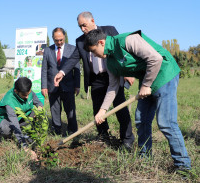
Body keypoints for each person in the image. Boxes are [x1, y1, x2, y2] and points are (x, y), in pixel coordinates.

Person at [84, 29, 191, 172]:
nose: (94, 55)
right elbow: (113, 87)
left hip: (164, 73)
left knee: (166, 123)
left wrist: (146, 85)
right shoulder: (110, 61)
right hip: (147, 79)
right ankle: (145, 157)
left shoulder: (127, 40)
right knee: (141, 120)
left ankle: (183, 166)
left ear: (101, 42)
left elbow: (155, 58)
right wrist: (102, 110)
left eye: (93, 51)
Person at [54, 12, 134, 149]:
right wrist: (61, 72)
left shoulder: (109, 30)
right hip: (96, 78)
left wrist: (127, 71)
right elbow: (74, 58)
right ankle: (104, 136)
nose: (82, 29)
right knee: (98, 109)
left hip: (113, 74)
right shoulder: (80, 41)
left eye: (84, 25)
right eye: (80, 27)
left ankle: (127, 139)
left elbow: (122, 49)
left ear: (92, 20)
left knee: (120, 107)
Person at [41, 27, 80, 135]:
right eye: (56, 40)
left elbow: (76, 69)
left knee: (70, 110)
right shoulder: (48, 50)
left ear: (65, 37)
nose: (59, 42)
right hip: (52, 86)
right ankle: (56, 131)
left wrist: (77, 85)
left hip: (68, 85)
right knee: (55, 110)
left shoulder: (73, 49)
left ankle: (73, 131)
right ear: (53, 38)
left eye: (61, 40)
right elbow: (44, 69)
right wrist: (44, 86)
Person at [0, 77, 43, 160]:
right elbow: (15, 123)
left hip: (24, 116)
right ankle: (11, 136)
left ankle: (25, 131)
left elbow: (38, 102)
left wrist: (39, 109)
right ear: (16, 91)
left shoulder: (27, 90)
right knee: (6, 129)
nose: (27, 97)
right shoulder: (9, 101)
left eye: (29, 94)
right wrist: (25, 148)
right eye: (24, 95)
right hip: (9, 119)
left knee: (42, 113)